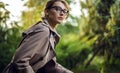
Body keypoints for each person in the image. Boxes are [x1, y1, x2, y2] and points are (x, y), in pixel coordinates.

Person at [2, 0, 73, 73]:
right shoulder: (43, 31)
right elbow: (20, 61)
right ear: (47, 12)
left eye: (65, 11)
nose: (62, 13)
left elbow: (50, 65)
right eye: (57, 9)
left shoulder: (51, 35)